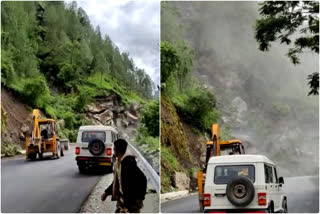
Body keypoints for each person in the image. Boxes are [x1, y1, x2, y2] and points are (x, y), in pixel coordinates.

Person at [101, 139, 147, 213]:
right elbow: (118, 181)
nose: (113, 150)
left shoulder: (128, 163)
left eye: (114, 148)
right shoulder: (119, 163)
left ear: (117, 149)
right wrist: (106, 193)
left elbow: (143, 179)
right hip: (122, 199)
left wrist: (140, 197)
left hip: (132, 200)